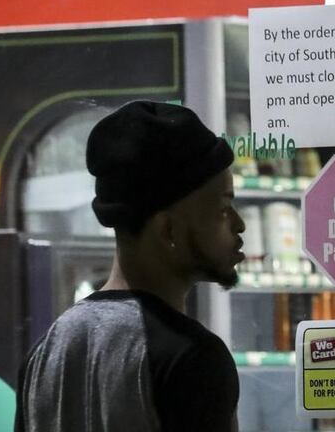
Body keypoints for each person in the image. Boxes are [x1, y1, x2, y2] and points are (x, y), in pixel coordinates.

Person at [15, 101, 245, 432]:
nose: (239, 225)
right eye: (223, 207)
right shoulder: (193, 358)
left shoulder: (44, 353)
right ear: (169, 230)